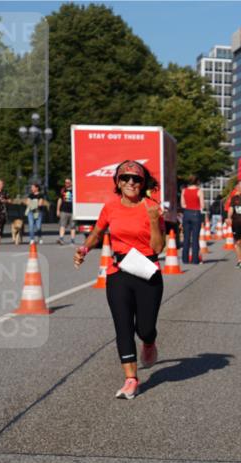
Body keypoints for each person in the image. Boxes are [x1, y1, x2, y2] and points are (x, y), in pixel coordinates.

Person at [73, 160, 165, 400]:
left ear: (143, 183)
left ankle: (149, 342)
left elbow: (158, 248)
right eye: (125, 178)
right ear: (117, 181)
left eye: (136, 179)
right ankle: (131, 379)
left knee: (145, 328)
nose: (131, 182)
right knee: (123, 326)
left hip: (148, 271)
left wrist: (153, 220)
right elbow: (97, 233)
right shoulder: (110, 208)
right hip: (119, 272)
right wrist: (84, 249)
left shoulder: (152, 208)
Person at [180, 175, 204, 265]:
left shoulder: (184, 190)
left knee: (186, 237)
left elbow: (182, 204)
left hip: (186, 213)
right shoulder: (199, 191)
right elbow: (202, 205)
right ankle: (195, 259)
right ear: (197, 181)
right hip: (196, 213)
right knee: (195, 238)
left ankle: (185, 259)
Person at [57, 178, 75, 244]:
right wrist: (58, 210)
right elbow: (59, 200)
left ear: (71, 183)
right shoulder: (63, 190)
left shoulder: (74, 190)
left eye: (68, 182)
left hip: (73, 211)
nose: (66, 184)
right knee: (62, 225)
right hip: (64, 210)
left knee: (72, 226)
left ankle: (72, 240)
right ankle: (61, 238)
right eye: (65, 182)